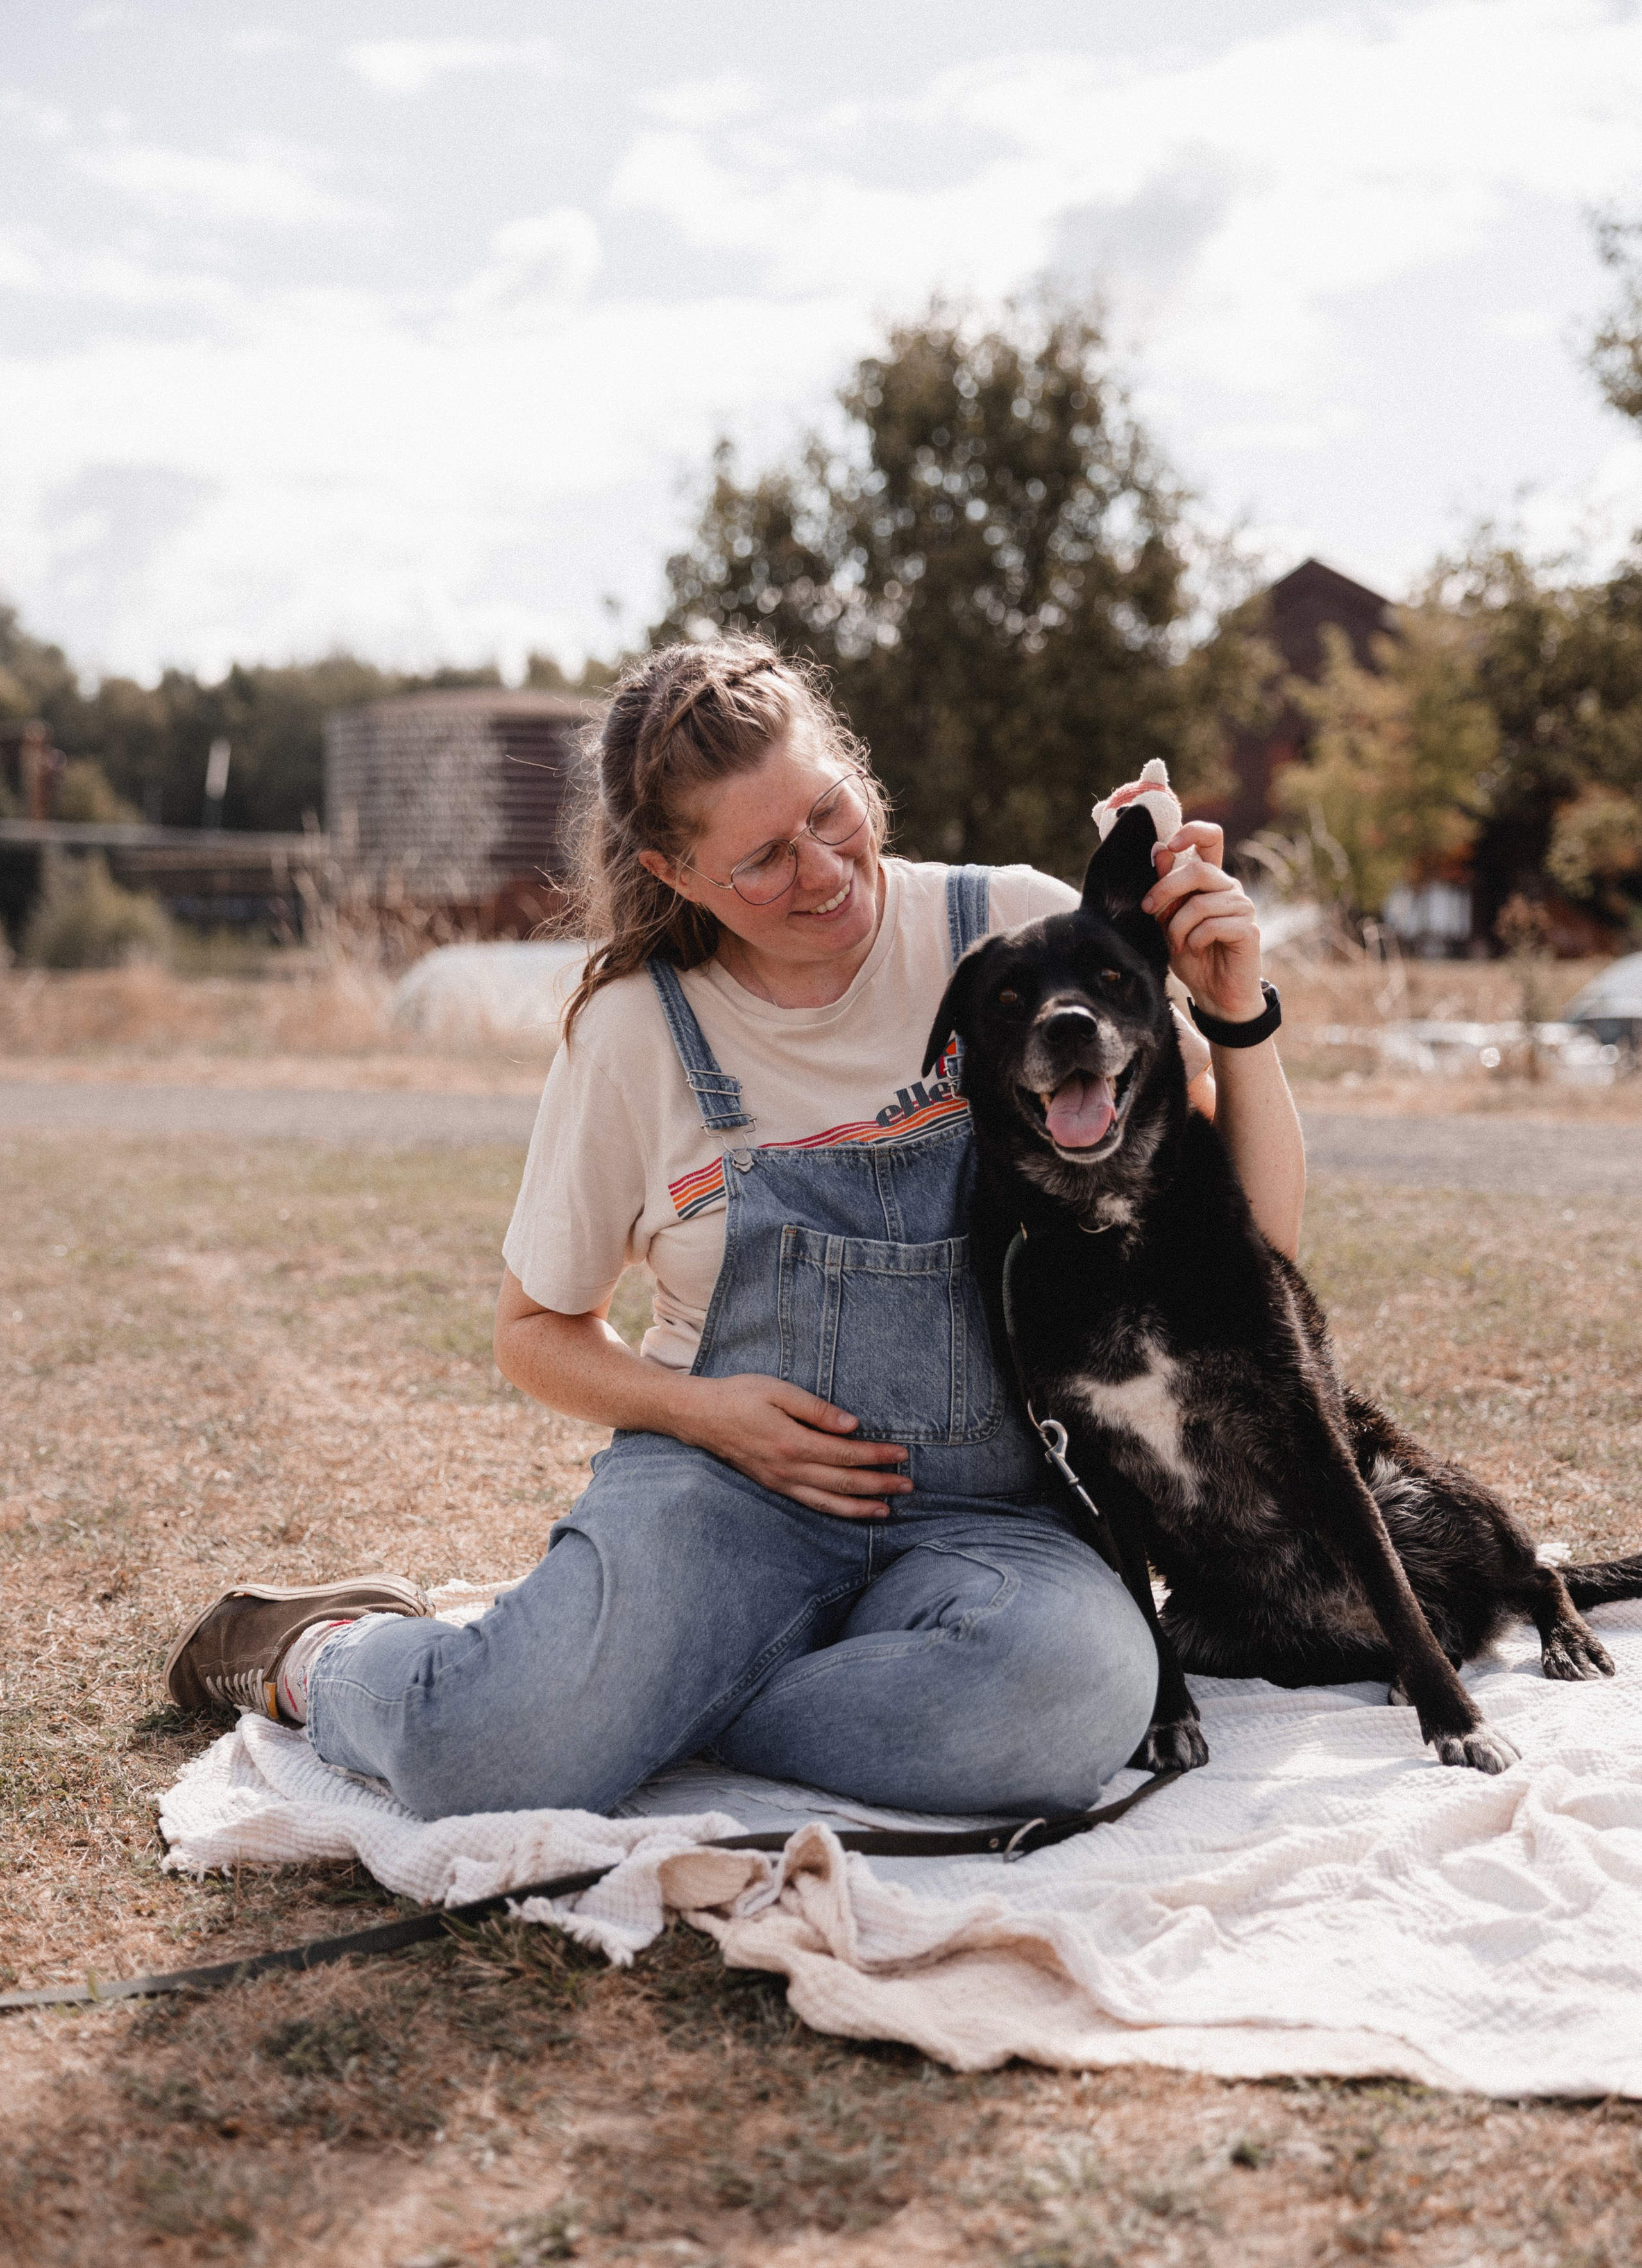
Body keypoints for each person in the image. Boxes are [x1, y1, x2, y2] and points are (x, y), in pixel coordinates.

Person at [166, 643, 1305, 1821]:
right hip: (723, 1497)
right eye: (761, 859)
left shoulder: (1019, 930)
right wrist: (707, 1413)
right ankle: (329, 1653)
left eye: (829, 812)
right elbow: (531, 1332)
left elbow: (1248, 1254)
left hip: (992, 1514)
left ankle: (659, 1700)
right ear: (675, 870)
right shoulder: (633, 1029)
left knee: (1071, 1701)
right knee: (481, 1762)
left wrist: (1234, 1014)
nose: (822, 873)